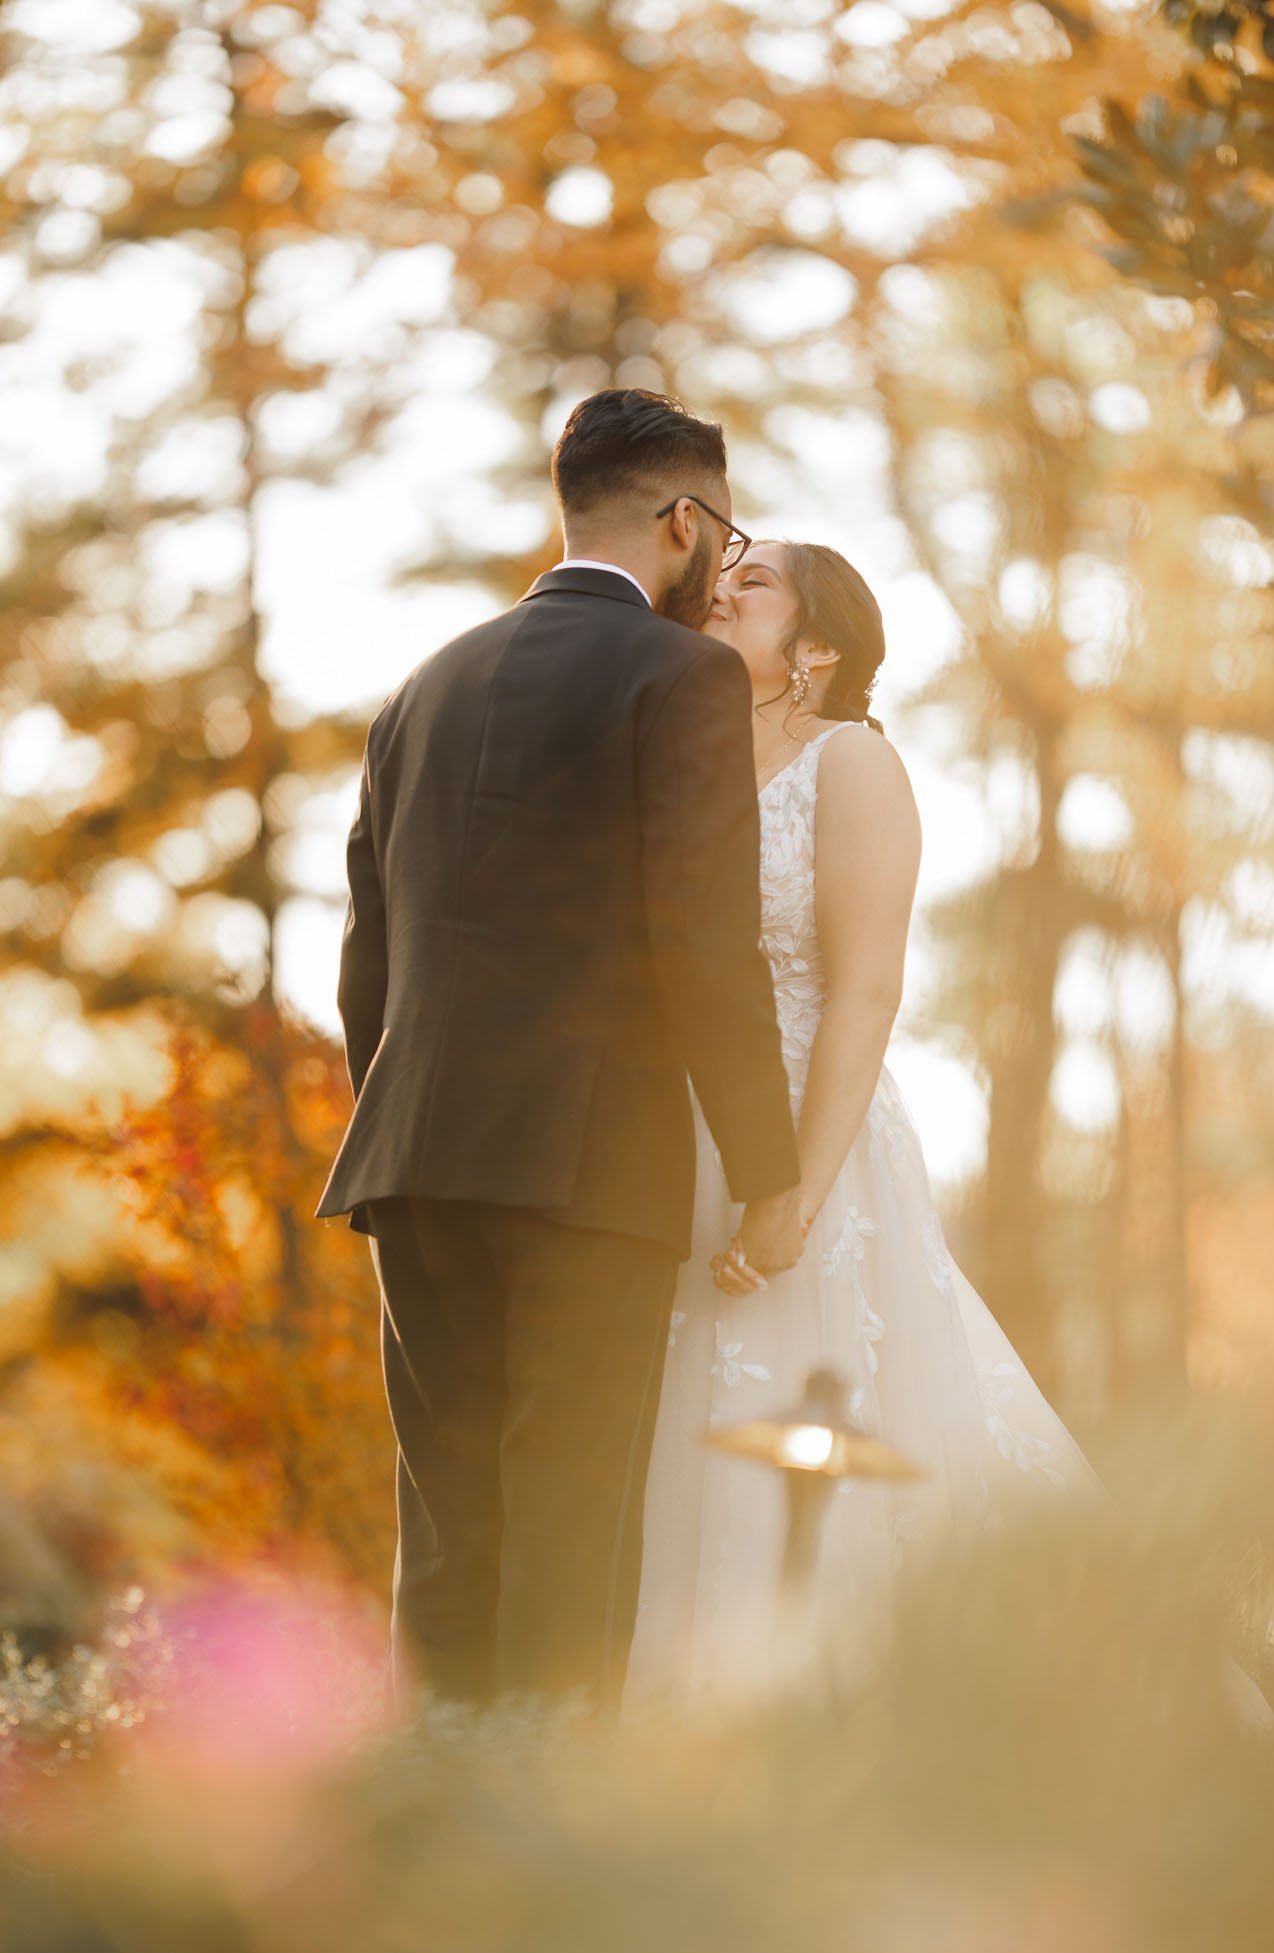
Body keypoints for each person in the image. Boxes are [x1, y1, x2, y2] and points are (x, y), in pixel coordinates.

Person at [317, 390, 806, 1712]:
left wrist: (402, 1109)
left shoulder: (424, 686)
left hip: (413, 1154)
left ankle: (437, 1826)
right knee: (570, 1517)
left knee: (450, 1518)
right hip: (588, 1163)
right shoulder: (684, 676)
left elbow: (368, 953)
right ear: (684, 521)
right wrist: (770, 1159)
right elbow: (704, 942)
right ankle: (541, 1854)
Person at [626, 540, 1101, 1706]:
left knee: (800, 1434)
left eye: (760, 582)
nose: (724, 585)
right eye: (728, 575)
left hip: (806, 1129)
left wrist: (793, 1190)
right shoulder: (680, 756)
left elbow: (867, 990)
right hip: (670, 1137)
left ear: (818, 647)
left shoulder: (853, 764)